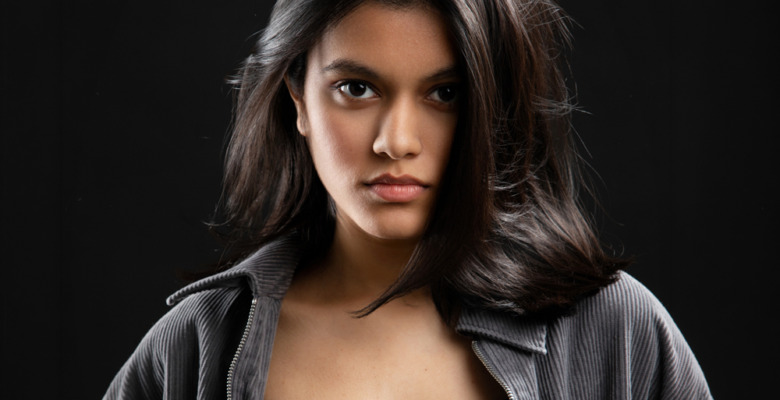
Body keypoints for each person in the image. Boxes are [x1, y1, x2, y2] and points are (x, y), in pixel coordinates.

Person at [104, 0, 711, 398]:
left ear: (493, 105)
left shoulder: (618, 334)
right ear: (297, 100)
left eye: (445, 94)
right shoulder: (196, 349)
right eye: (356, 88)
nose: (397, 141)